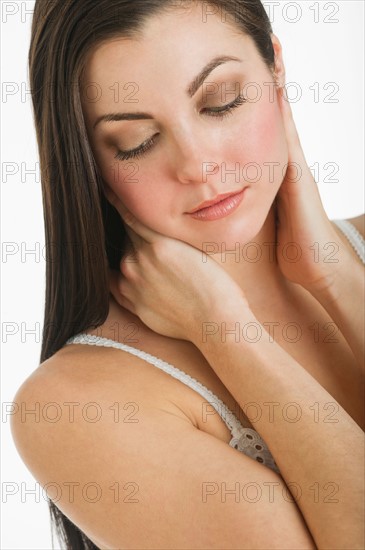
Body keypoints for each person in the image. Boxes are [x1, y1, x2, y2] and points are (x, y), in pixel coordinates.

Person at [10, 0, 364, 548]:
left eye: (221, 103)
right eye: (138, 142)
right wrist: (226, 335)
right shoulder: (80, 405)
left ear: (275, 68)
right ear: (88, 160)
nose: (198, 165)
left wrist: (337, 274)